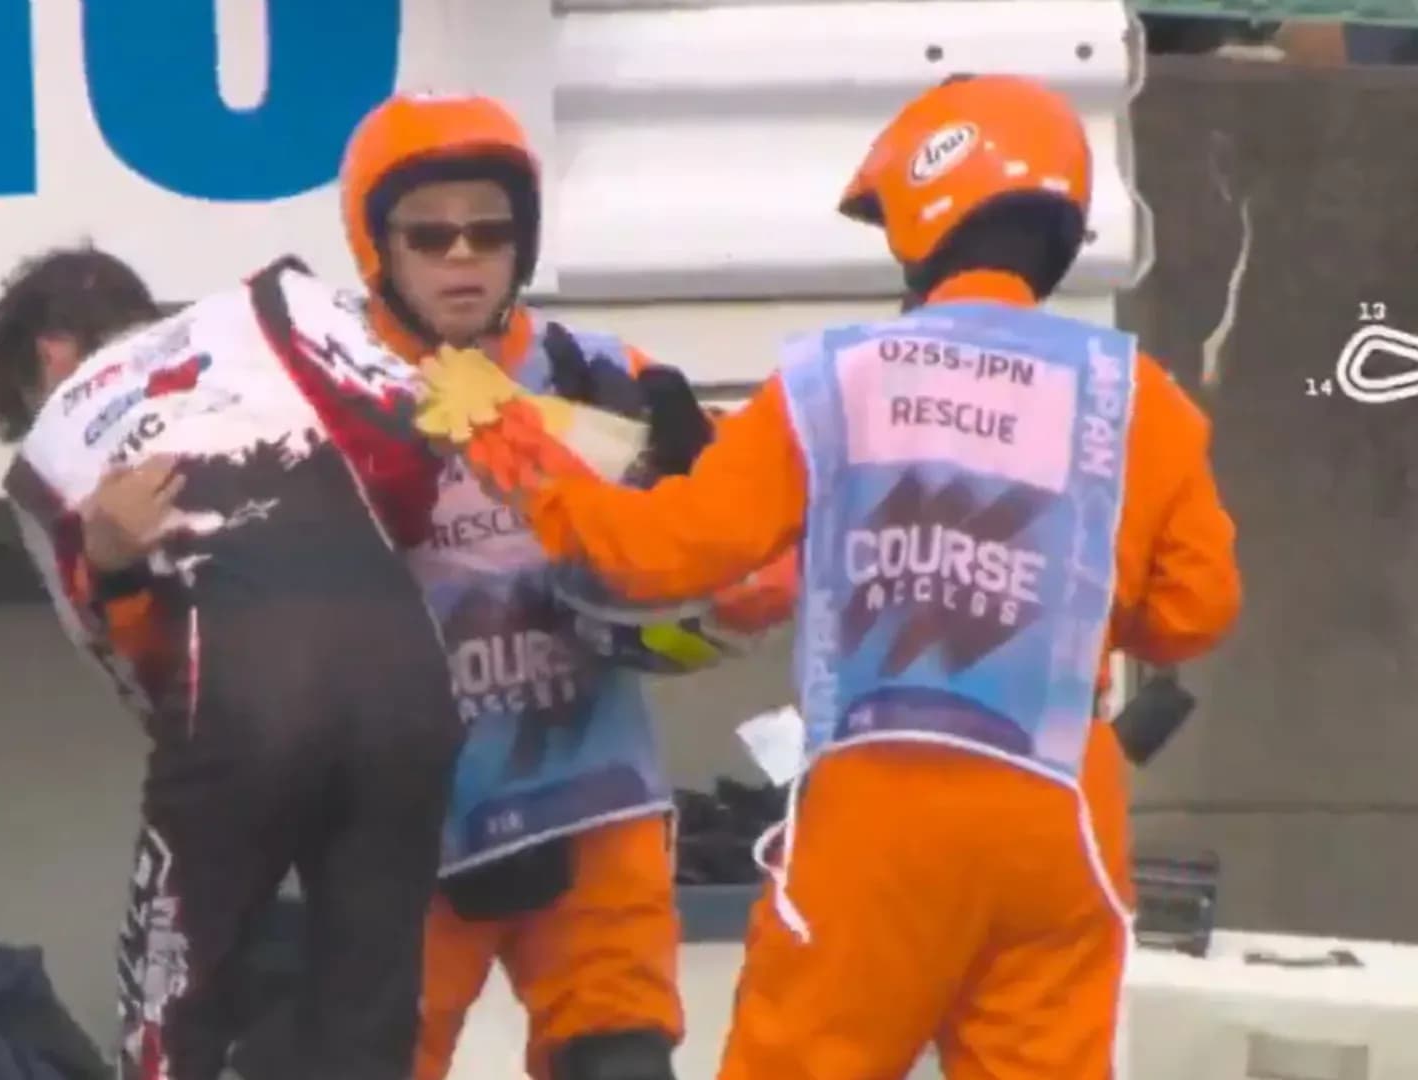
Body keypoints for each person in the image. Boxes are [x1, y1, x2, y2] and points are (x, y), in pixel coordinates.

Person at [415, 74, 1242, 1079]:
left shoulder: (834, 376)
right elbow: (1193, 614)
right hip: (1063, 816)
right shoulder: (1135, 391)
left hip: (880, 815)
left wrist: (521, 454)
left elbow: (657, 554)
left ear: (925, 218)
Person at [338, 92, 799, 1080]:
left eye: (490, 230)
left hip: (590, 800)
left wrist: (714, 567)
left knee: (623, 1057)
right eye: (429, 234)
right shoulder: (324, 389)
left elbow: (753, 569)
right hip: (397, 823)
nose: (463, 255)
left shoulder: (606, 375)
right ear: (377, 248)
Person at [0, 246, 464, 1080]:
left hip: (240, 695)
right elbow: (411, 443)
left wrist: (112, 565)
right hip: (408, 682)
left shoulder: (46, 457)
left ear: (48, 357)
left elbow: (128, 668)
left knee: (170, 1017)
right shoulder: (269, 308)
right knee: (370, 1020)